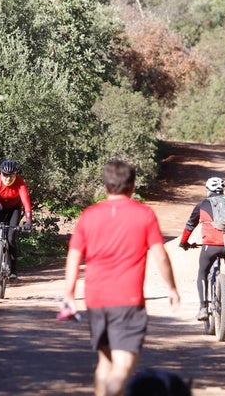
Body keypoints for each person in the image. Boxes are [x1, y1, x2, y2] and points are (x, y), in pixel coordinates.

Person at [63, 160, 180, 396]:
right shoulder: (144, 214)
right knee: (123, 366)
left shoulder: (89, 215)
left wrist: (69, 294)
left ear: (105, 186)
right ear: (132, 186)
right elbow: (160, 255)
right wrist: (172, 287)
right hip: (127, 299)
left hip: (96, 300)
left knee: (105, 363)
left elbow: (74, 256)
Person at [178, 177, 225, 321]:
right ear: (222, 190)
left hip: (210, 245)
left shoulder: (202, 204)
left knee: (203, 273)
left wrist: (184, 242)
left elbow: (190, 225)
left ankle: (203, 308)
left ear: (208, 190)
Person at [0, 159, 33, 279]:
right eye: (5, 175)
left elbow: (26, 202)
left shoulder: (20, 183)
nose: (8, 178)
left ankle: (14, 270)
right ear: (1, 173)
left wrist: (29, 220)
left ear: (15, 174)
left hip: (14, 208)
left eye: (11, 175)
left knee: (11, 237)